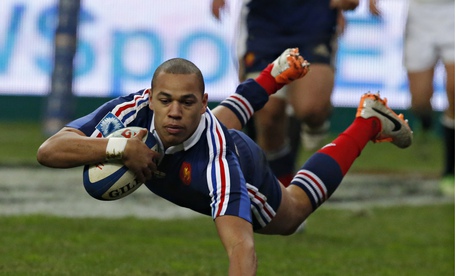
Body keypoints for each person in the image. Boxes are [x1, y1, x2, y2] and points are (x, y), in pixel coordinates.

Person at [37, 48, 413, 275]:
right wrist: (117, 149)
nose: (172, 111)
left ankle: (368, 122)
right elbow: (49, 150)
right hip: (199, 139)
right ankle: (270, 76)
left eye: (187, 102)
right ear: (149, 97)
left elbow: (240, 248)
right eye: (164, 100)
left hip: (238, 159)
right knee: (199, 127)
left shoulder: (219, 164)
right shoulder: (128, 111)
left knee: (292, 213)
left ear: (202, 102)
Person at [212, 0, 360, 186]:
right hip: (264, 23)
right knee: (267, 115)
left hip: (313, 19)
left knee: (310, 109)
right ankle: (283, 197)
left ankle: (317, 120)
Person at [370, 0, 454, 195]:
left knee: (455, 90)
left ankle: (451, 170)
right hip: (420, 16)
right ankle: (425, 123)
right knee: (420, 100)